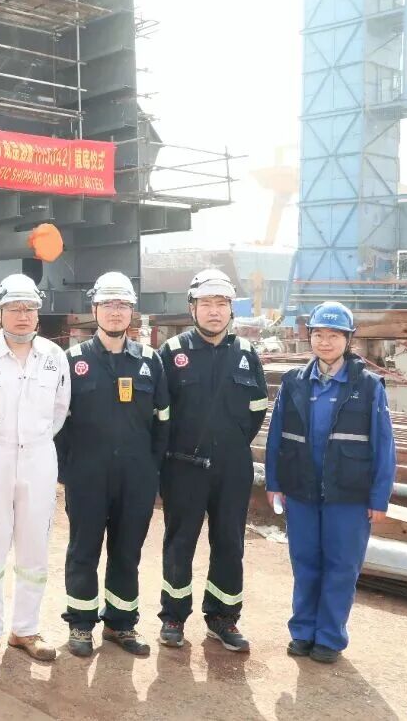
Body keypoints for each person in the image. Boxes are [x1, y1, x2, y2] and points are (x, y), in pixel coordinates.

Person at [265, 301, 395, 663]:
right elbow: (276, 437)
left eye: (334, 335)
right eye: (319, 334)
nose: (325, 342)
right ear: (309, 337)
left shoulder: (368, 387)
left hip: (349, 495)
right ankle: (303, 632)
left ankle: (329, 637)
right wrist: (274, 482)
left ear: (348, 340)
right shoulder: (294, 383)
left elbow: (384, 444)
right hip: (301, 490)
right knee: (305, 562)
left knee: (341, 567)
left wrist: (379, 497)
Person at [0, 274, 70, 664]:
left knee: (34, 545)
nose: (23, 315)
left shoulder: (54, 357)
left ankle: (26, 629)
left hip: (38, 458)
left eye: (30, 308)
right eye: (15, 308)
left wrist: (33, 441)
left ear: (38, 313)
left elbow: (59, 411)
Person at [56, 271, 169, 658]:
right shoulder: (73, 361)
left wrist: (151, 470)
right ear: (94, 309)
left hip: (136, 478)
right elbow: (59, 424)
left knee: (127, 552)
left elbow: (163, 422)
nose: (115, 311)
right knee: (83, 550)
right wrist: (69, 471)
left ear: (132, 311)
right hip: (87, 476)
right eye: (108, 304)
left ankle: (121, 624)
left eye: (123, 304)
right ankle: (81, 624)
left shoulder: (150, 361)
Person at [156, 269, 268, 652]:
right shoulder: (172, 353)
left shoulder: (246, 354)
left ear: (231, 310)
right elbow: (160, 414)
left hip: (232, 467)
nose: (214, 311)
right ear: (193, 309)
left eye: (222, 304)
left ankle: (223, 618)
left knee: (230, 543)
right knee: (180, 541)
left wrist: (231, 446)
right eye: (206, 304)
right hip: (183, 466)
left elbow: (257, 410)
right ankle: (173, 616)